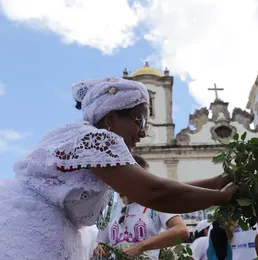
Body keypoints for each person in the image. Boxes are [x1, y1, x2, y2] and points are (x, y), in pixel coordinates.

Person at [0, 77, 236, 259]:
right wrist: (220, 197)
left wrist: (215, 183)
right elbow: (156, 192)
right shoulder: (99, 140)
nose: (144, 132)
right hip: (29, 233)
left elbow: (154, 189)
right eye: (139, 121)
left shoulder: (94, 145)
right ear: (111, 119)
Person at [93, 155, 189, 259]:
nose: (145, 184)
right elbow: (102, 243)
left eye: (147, 179)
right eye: (140, 179)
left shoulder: (156, 204)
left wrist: (141, 247)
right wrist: (99, 248)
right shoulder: (109, 210)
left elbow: (182, 230)